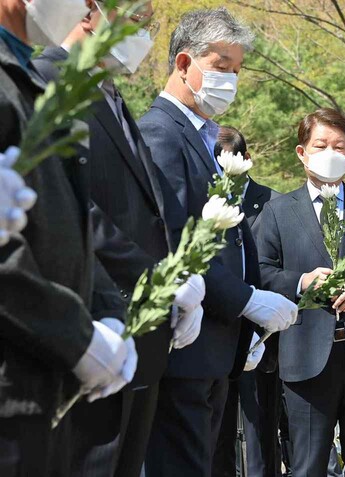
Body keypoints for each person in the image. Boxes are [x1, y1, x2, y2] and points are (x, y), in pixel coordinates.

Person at [32, 3, 206, 476]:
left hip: (140, 334)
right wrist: (158, 277)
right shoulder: (46, 83)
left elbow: (147, 211)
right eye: (134, 21)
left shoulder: (112, 95)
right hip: (90, 328)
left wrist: (178, 279)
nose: (142, 36)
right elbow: (72, 206)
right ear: (91, 12)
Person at [139, 9, 297, 477]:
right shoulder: (161, 133)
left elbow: (227, 239)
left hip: (217, 342)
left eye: (236, 70)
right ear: (184, 62)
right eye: (221, 65)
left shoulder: (202, 137)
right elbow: (178, 238)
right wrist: (246, 300)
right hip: (187, 346)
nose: (230, 79)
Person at [0, 0, 137, 475]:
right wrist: (78, 337)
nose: (83, 6)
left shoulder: (26, 78)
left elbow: (66, 222)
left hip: (44, 384)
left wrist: (108, 315)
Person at [257, 108, 345, 477]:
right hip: (305, 352)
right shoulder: (277, 211)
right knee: (307, 465)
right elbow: (260, 272)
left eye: (339, 145)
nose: (330, 152)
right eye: (320, 145)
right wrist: (302, 281)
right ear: (301, 153)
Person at [210, 126, 282, 477]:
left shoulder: (273, 204)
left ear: (246, 160)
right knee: (217, 428)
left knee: (260, 430)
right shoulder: (206, 201)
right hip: (217, 329)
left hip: (261, 336)